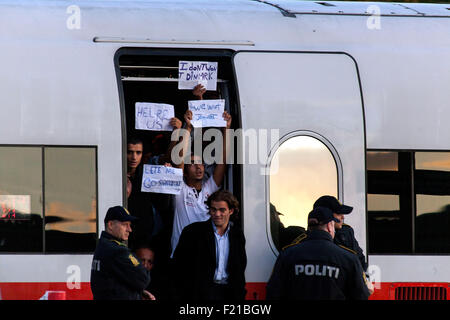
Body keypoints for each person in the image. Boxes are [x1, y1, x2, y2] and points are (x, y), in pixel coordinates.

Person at [266, 206, 370, 300]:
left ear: (309, 227)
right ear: (330, 226)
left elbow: (273, 293)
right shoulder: (349, 258)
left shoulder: (287, 255)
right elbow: (361, 295)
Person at [169, 109, 232, 257]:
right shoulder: (179, 189)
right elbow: (179, 158)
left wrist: (226, 129)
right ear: (184, 170)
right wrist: (188, 128)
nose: (198, 166)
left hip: (205, 256)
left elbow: (222, 161)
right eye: (192, 163)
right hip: (181, 256)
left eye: (201, 163)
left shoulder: (209, 188)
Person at [172, 190, 247, 300]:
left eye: (222, 210)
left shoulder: (237, 235)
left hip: (229, 294)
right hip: (199, 295)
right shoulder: (192, 232)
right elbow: (179, 268)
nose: (217, 214)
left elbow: (240, 268)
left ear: (231, 211)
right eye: (213, 210)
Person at [90, 206, 155, 300]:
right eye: (125, 225)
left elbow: (115, 280)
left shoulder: (102, 245)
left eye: (130, 225)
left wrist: (138, 292)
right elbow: (143, 279)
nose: (129, 229)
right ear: (111, 225)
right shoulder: (117, 251)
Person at [313, 195, 368, 272]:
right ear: (326, 215)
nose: (343, 217)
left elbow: (360, 260)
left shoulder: (347, 233)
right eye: (339, 213)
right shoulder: (309, 239)